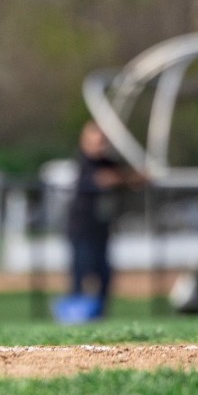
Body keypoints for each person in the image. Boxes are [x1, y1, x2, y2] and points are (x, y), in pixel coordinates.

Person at [64, 121, 144, 317]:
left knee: (104, 274)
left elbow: (131, 179)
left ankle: (98, 314)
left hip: (101, 228)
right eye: (96, 140)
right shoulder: (83, 161)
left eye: (103, 141)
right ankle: (75, 314)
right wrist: (127, 178)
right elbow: (106, 179)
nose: (100, 145)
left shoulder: (108, 162)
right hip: (81, 228)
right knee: (81, 272)